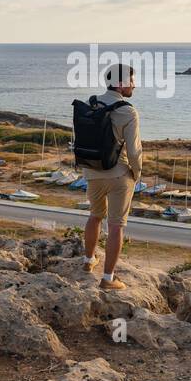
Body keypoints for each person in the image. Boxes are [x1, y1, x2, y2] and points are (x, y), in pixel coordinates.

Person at [81, 62, 141, 290]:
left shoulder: (89, 103)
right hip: (118, 174)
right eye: (131, 81)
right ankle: (108, 278)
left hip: (92, 171)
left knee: (95, 216)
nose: (134, 85)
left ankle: (88, 262)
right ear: (120, 84)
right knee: (116, 225)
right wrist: (136, 173)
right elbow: (135, 151)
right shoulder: (128, 111)